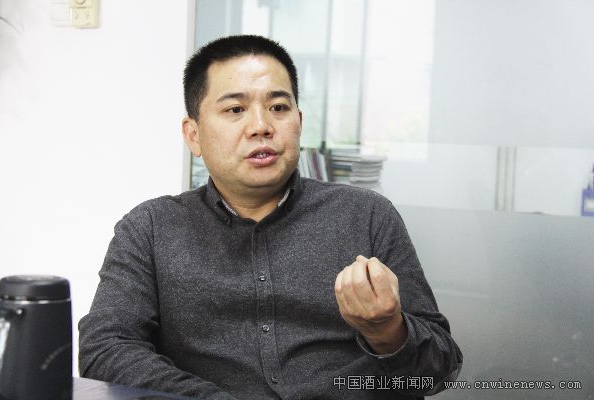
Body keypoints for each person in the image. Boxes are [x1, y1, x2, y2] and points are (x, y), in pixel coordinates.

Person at [78, 35, 462, 400]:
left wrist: (387, 330)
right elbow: (106, 349)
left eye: (278, 108)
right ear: (193, 135)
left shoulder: (367, 215)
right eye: (235, 109)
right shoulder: (150, 228)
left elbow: (440, 370)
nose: (261, 126)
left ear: (299, 122)